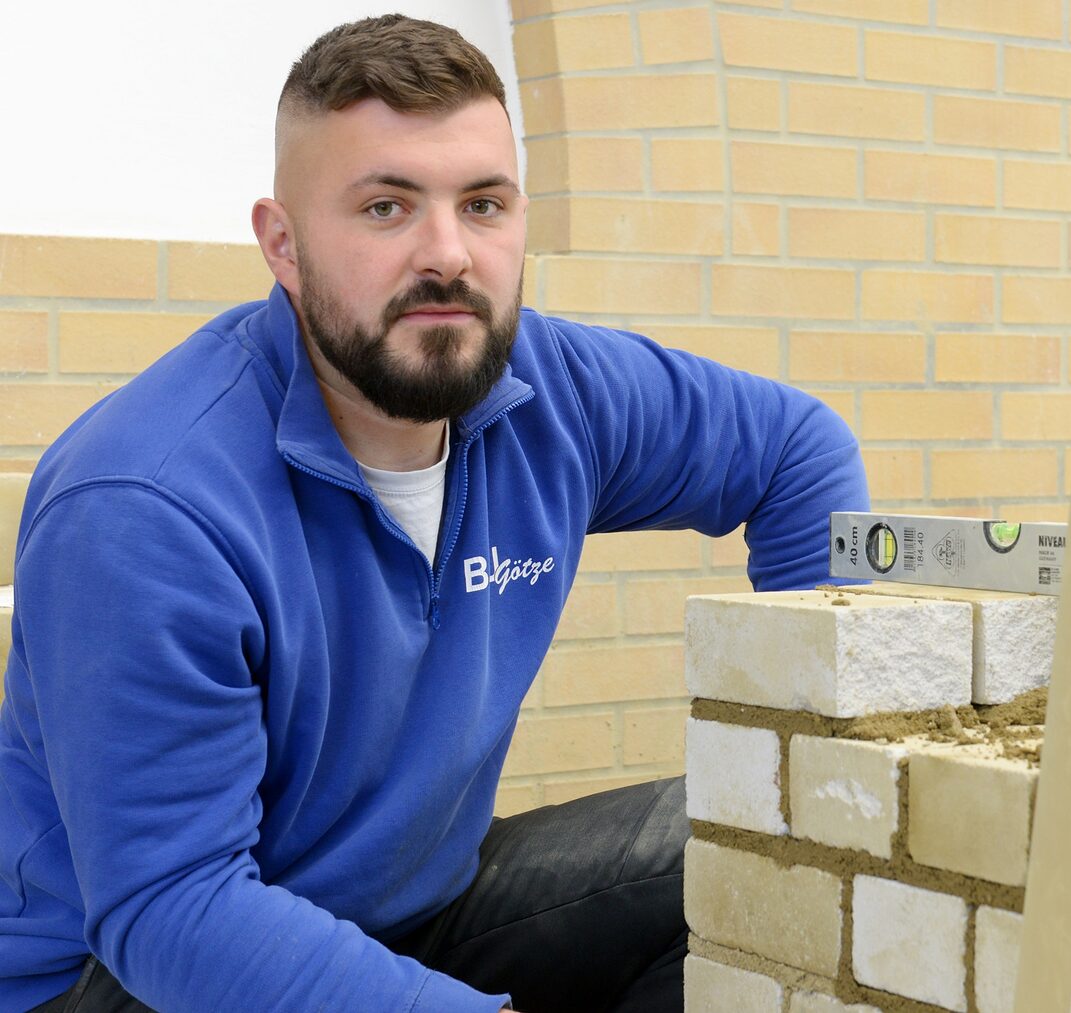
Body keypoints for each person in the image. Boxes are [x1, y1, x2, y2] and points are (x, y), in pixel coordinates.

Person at [0, 14, 867, 1013]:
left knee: (765, 850)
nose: (448, 253)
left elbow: (797, 450)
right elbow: (170, 905)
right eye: (385, 207)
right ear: (282, 244)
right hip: (125, 974)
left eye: (483, 204)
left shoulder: (559, 388)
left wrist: (824, 749)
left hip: (412, 910)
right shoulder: (145, 505)